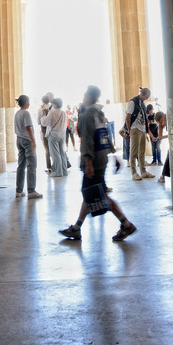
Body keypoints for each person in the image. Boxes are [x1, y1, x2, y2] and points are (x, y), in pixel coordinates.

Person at [59, 85, 136, 242]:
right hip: (102, 159)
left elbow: (87, 139)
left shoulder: (88, 115)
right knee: (91, 193)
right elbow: (106, 135)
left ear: (88, 96)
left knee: (98, 195)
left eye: (85, 94)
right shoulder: (99, 114)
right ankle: (77, 227)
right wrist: (114, 155)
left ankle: (126, 223)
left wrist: (87, 162)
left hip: (93, 161)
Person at [15, 96, 43, 200]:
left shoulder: (17, 113)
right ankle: (31, 191)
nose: (29, 103)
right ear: (26, 102)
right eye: (29, 101)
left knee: (21, 165)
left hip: (19, 139)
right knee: (32, 165)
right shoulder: (26, 113)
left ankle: (19, 190)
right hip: (27, 140)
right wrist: (33, 141)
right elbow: (28, 127)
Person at [126, 87, 152, 180]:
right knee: (134, 152)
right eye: (147, 96)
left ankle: (143, 171)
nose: (147, 99)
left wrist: (146, 132)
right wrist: (129, 130)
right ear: (143, 94)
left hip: (142, 129)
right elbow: (128, 117)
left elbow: (145, 117)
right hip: (135, 128)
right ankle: (134, 173)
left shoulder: (142, 103)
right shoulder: (132, 102)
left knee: (142, 152)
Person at [43, 97, 68, 177]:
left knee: (55, 154)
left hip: (54, 135)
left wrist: (44, 116)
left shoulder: (52, 112)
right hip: (62, 135)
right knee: (62, 153)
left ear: (55, 104)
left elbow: (44, 123)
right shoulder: (64, 113)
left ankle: (57, 172)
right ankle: (64, 171)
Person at [37, 93, 53, 173]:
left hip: (44, 130)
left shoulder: (40, 109)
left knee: (47, 149)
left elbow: (38, 121)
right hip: (52, 130)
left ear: (42, 101)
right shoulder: (53, 107)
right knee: (54, 148)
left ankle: (49, 167)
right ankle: (55, 166)